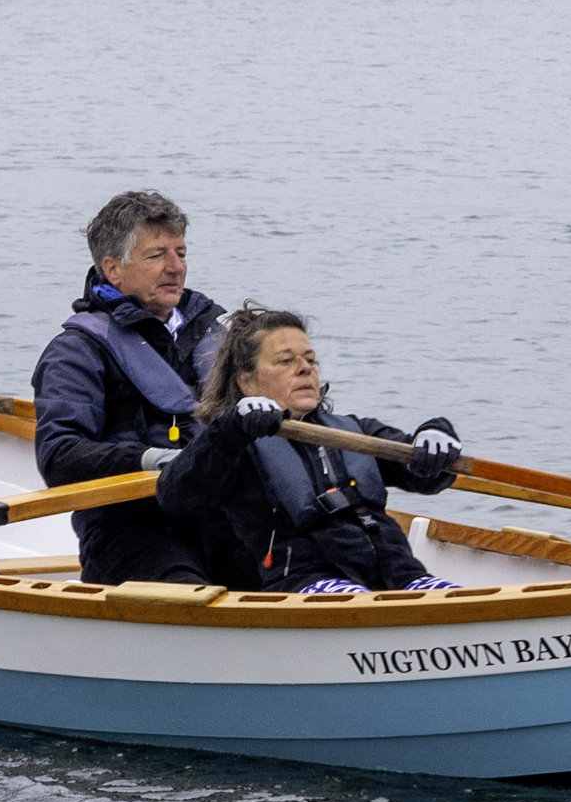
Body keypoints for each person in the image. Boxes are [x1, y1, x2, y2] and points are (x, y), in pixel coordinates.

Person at [157, 307, 464, 594]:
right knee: (355, 598)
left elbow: (424, 475)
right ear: (247, 382)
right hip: (307, 583)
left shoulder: (353, 429)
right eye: (286, 361)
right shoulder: (231, 445)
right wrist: (230, 429)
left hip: (401, 575)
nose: (305, 369)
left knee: (452, 597)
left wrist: (436, 435)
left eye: (310, 359)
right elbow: (176, 495)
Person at [31, 189, 230, 584]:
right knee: (190, 593)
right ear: (113, 269)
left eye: (181, 253)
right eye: (157, 255)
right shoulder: (77, 352)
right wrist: (148, 460)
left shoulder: (218, 336)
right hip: (133, 529)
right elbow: (59, 457)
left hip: (224, 519)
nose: (175, 267)